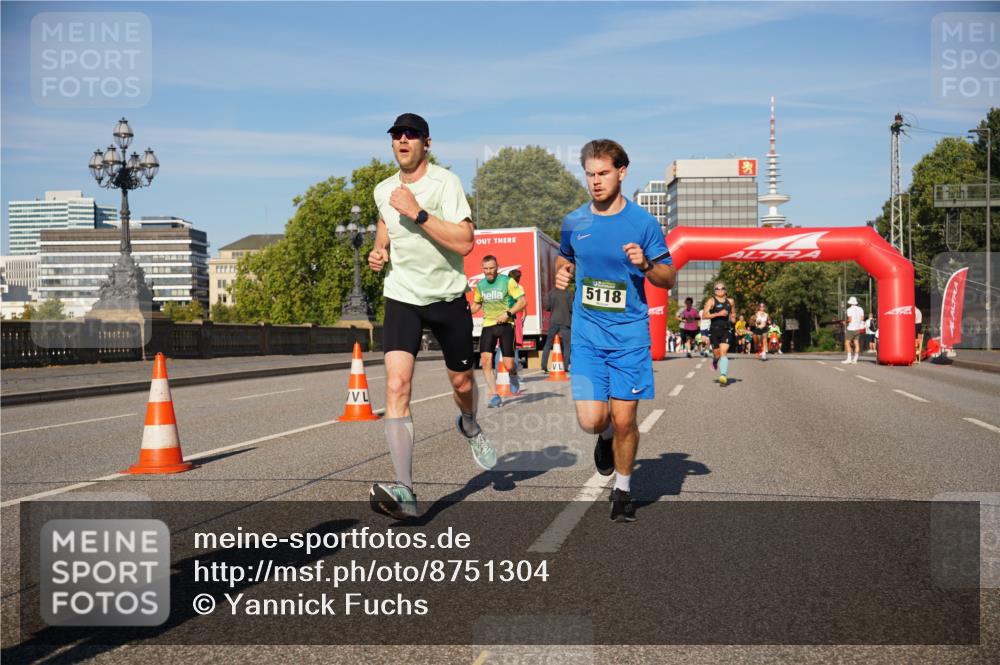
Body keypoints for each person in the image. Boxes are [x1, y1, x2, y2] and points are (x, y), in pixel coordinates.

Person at [367, 113, 496, 520]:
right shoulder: (383, 190)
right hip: (402, 296)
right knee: (396, 385)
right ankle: (405, 490)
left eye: (411, 135)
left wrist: (418, 212)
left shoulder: (446, 183)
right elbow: (385, 223)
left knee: (462, 382)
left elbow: (466, 242)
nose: (403, 140)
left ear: (427, 143)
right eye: (397, 135)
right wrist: (379, 250)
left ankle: (469, 423)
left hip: (447, 297)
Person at [554, 139, 675, 523]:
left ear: (622, 172)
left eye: (603, 173)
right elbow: (564, 257)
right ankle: (604, 438)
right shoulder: (574, 222)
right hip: (588, 335)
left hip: (629, 337)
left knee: (625, 420)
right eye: (589, 174)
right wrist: (562, 272)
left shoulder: (643, 223)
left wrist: (646, 266)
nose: (595, 181)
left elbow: (668, 277)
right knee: (592, 420)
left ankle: (622, 490)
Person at [471, 255, 526, 407]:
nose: (489, 271)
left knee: (508, 365)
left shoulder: (508, 282)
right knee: (485, 360)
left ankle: (513, 375)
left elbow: (522, 302)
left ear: (497, 267)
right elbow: (477, 305)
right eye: (486, 269)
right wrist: (464, 311)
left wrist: (508, 313)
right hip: (488, 324)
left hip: (506, 325)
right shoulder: (481, 285)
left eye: (491, 268)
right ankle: (494, 395)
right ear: (482, 269)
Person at [703, 281, 736, 385]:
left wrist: (733, 318)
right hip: (714, 330)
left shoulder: (730, 301)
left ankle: (723, 375)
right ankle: (715, 361)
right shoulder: (711, 301)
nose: (720, 290)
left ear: (725, 290)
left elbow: (733, 313)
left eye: (722, 288)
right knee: (717, 355)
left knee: (723, 352)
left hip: (726, 329)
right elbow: (704, 315)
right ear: (714, 291)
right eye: (717, 288)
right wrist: (718, 314)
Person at [541, 282, 572, 374]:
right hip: (565, 321)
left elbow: (547, 307)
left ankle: (544, 365)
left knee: (548, 344)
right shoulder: (569, 293)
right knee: (567, 345)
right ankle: (565, 366)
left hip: (553, 321)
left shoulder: (551, 293)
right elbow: (571, 308)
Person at [842, 296, 865, 364]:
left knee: (847, 343)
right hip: (857, 328)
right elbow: (862, 319)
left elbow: (850, 319)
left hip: (851, 328)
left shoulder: (849, 309)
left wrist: (845, 322)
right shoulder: (860, 309)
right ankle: (855, 359)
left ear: (850, 303)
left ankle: (849, 359)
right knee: (856, 343)